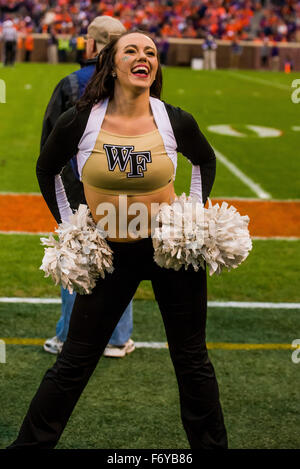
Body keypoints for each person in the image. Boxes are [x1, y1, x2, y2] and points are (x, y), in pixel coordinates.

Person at [8, 30, 228, 449]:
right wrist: (71, 226)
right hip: (110, 253)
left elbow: (205, 160)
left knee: (192, 360)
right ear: (112, 64)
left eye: (151, 52)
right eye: (132, 50)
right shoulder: (81, 119)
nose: (144, 56)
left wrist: (192, 218)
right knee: (74, 362)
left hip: (169, 251)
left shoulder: (173, 119)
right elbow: (47, 169)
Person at [40, 16, 134, 359]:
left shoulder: (71, 83)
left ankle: (68, 334)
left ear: (91, 43)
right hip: (124, 186)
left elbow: (49, 142)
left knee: (76, 256)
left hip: (77, 187)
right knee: (121, 259)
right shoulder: (135, 82)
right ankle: (118, 338)